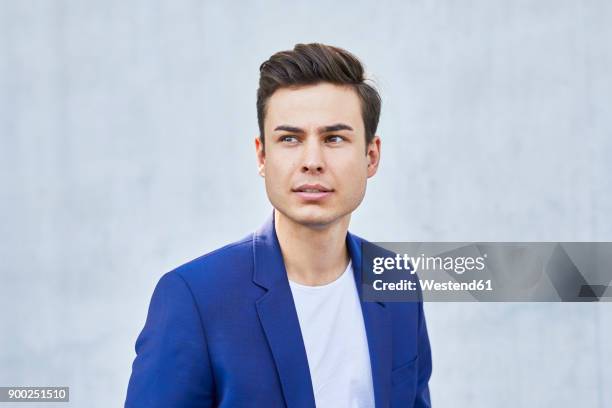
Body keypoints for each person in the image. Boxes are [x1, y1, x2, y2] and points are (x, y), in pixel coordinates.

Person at [125, 42, 432, 408]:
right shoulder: (195, 297)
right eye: (290, 139)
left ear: (371, 156)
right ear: (262, 155)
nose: (312, 161)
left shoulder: (396, 282)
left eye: (334, 138)